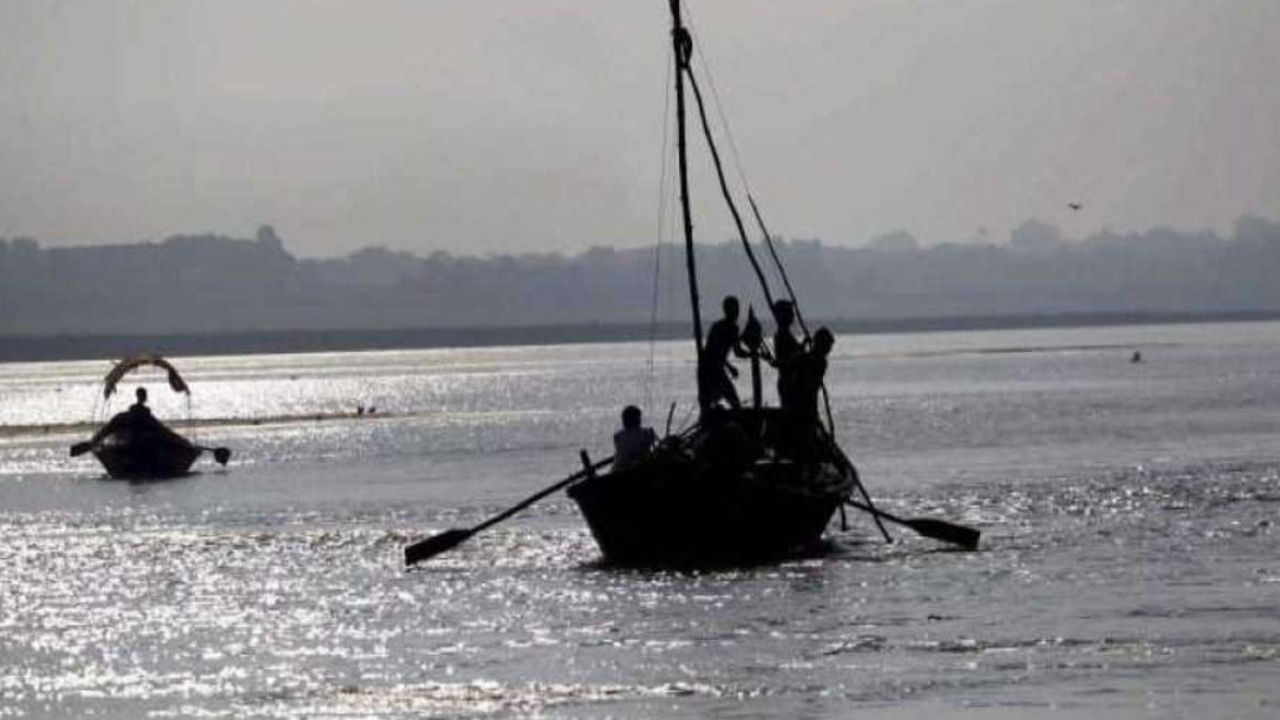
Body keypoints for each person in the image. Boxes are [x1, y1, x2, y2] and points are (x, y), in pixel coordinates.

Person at [698, 295, 750, 411]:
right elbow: (737, 352)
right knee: (734, 402)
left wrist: (729, 367)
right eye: (734, 309)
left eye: (737, 309)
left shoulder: (718, 326)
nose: (736, 312)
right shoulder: (730, 328)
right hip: (712, 370)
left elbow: (716, 352)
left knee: (711, 402)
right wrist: (753, 354)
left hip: (709, 369)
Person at [794, 327, 834, 428]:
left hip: (808, 403)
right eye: (828, 345)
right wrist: (803, 345)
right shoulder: (814, 359)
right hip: (802, 403)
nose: (829, 349)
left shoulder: (819, 361)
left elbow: (800, 359)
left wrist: (803, 345)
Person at [769, 300, 803, 411]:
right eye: (790, 312)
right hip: (788, 382)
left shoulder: (785, 334)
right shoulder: (782, 335)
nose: (793, 315)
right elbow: (786, 360)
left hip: (791, 381)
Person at [613, 405, 658, 471]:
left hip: (619, 468)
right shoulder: (648, 432)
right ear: (638, 419)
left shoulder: (618, 436)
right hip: (640, 468)